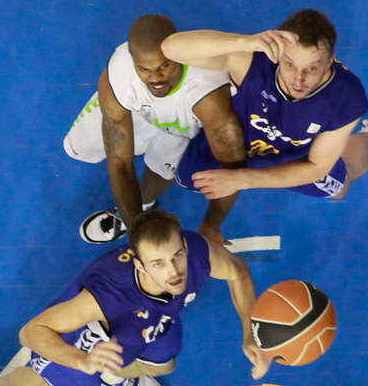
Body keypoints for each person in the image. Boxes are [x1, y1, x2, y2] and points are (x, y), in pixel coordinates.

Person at [0, 210, 263, 386]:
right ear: (140, 265)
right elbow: (31, 332)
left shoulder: (196, 252)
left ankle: (111, 375)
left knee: (164, 363)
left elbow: (237, 271)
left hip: (150, 321)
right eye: (158, 264)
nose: (173, 272)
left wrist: (249, 332)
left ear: (185, 246)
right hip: (89, 338)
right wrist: (82, 361)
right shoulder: (108, 294)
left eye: (176, 256)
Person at [162, 9, 368, 233]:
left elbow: (317, 167)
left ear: (330, 61)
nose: (299, 79)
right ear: (278, 56)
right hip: (236, 145)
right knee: (190, 179)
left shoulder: (346, 98)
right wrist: (246, 42)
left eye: (311, 68)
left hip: (298, 157)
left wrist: (241, 179)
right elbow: (170, 48)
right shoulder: (253, 61)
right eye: (290, 64)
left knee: (338, 189)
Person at [64, 14, 245, 246]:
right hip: (137, 107)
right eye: (144, 69)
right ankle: (137, 142)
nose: (155, 78)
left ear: (177, 55)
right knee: (78, 148)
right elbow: (120, 163)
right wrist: (136, 232)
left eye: (164, 66)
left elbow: (232, 171)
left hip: (181, 122)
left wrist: (211, 226)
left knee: (163, 165)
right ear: (133, 61)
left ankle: (145, 203)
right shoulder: (119, 73)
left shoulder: (209, 95)